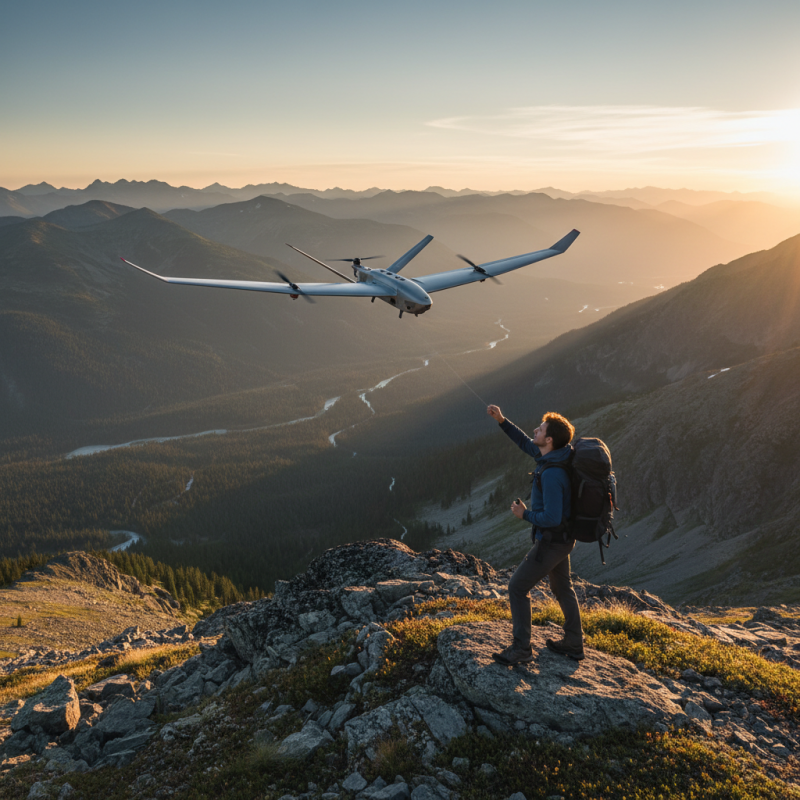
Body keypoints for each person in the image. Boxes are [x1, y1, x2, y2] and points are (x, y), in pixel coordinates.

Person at [486, 404, 585, 663]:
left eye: (540, 430)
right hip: (563, 540)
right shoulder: (554, 456)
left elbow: (552, 517)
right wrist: (502, 420)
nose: (535, 431)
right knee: (562, 587)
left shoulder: (552, 473)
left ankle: (521, 648)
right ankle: (574, 642)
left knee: (517, 587)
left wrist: (525, 514)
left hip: (551, 541)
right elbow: (524, 442)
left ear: (549, 440)